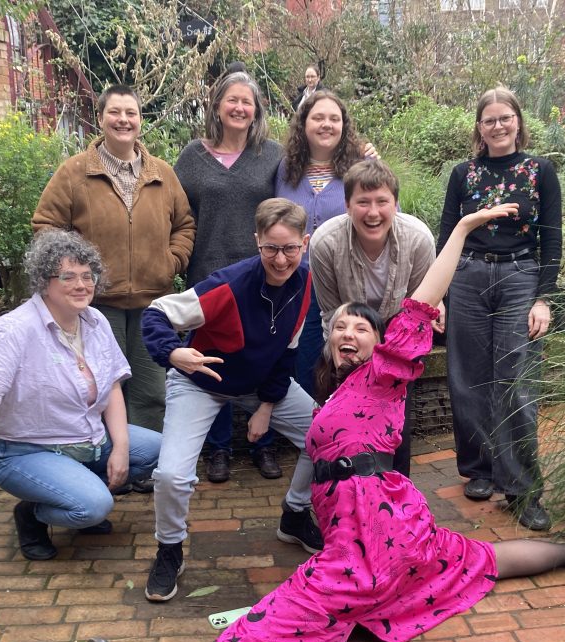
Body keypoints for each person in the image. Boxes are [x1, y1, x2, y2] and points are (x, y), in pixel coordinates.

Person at [82, 202, 565, 642]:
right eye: (340, 327)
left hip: (373, 533)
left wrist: (461, 230)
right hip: (378, 532)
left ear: (383, 343)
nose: (348, 333)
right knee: (480, 558)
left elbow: (423, 299)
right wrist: (265, 410)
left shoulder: (384, 376)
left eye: (362, 328)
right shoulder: (334, 398)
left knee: (279, 617)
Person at [0, 230, 162, 560]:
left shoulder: (95, 321)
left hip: (88, 439)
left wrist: (121, 449)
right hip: (24, 451)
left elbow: (112, 386)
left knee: (161, 451)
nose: (81, 285)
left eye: (88, 275)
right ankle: (34, 514)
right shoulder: (14, 330)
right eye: (68, 276)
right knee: (94, 506)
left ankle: (74, 490)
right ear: (44, 281)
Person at [139, 198, 323, 602]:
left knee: (327, 435)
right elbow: (156, 313)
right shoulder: (228, 284)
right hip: (200, 381)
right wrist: (173, 352)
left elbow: (287, 352)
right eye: (271, 248)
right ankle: (169, 548)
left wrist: (267, 406)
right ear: (257, 241)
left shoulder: (305, 281)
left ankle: (295, 515)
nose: (280, 259)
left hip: (258, 384)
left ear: (305, 243)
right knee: (171, 475)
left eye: (290, 248)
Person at [32, 85, 194, 436]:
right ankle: (106, 456)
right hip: (96, 304)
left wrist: (171, 261)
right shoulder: (74, 173)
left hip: (153, 304)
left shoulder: (162, 173)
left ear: (140, 120)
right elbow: (46, 226)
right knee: (100, 388)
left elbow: (184, 224)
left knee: (152, 392)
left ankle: (145, 457)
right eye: (115, 112)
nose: (123, 120)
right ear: (101, 118)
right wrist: (74, 275)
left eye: (131, 113)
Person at [437, 86, 562, 532]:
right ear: (479, 127)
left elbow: (552, 239)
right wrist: (441, 297)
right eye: (489, 119)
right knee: (467, 378)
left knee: (517, 382)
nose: (497, 126)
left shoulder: (540, 171)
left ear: (518, 121)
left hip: (519, 276)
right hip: (468, 276)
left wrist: (544, 298)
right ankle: (480, 469)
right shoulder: (463, 174)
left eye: (505, 117)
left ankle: (522, 488)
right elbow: (447, 236)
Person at [173, 71, 285, 483]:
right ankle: (218, 448)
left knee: (263, 356)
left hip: (262, 277)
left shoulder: (272, 156)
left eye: (247, 102)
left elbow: (308, 187)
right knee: (211, 360)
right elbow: (173, 213)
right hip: (209, 276)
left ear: (256, 110)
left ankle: (263, 443)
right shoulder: (191, 157)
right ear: (217, 105)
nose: (239, 108)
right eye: (232, 100)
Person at [309, 159, 438, 477]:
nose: (373, 212)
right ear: (347, 205)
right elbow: (332, 312)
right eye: (363, 202)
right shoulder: (325, 242)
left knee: (395, 426)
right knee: (342, 427)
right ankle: (341, 495)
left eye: (382, 201)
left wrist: (387, 359)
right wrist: (349, 359)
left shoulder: (418, 240)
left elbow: (416, 311)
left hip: (397, 343)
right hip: (348, 340)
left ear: (395, 204)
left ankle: (396, 495)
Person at [275, 91, 365, 396]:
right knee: (304, 361)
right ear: (304, 124)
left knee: (346, 361)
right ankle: (309, 422)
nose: (326, 124)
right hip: (295, 283)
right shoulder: (286, 169)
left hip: (346, 280)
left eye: (334, 119)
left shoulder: (361, 165)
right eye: (318, 117)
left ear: (343, 126)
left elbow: (389, 214)